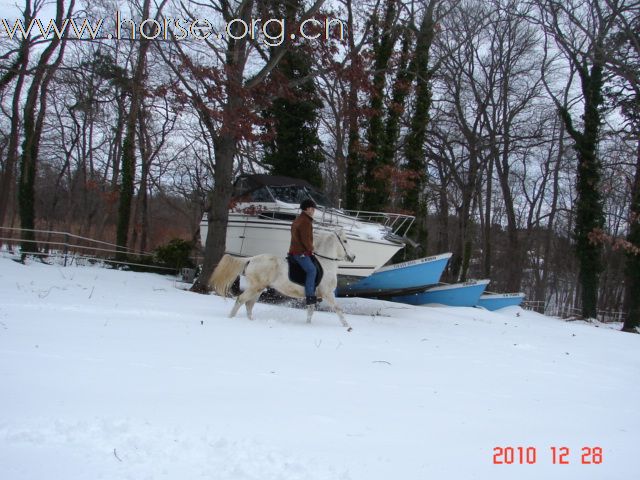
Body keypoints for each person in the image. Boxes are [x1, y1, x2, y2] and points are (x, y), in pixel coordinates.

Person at [289, 198, 318, 306]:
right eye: (312, 208)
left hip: (296, 250)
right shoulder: (305, 221)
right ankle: (310, 296)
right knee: (312, 270)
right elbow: (306, 239)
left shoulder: (299, 219)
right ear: (306, 209)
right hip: (300, 252)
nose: (313, 210)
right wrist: (311, 249)